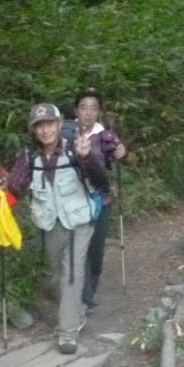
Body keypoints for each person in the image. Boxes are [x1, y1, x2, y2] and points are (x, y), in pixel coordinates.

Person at [1, 103, 107, 355]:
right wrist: (1, 196)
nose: (45, 129)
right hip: (50, 223)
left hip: (80, 221)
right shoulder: (29, 158)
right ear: (33, 130)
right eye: (40, 125)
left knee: (72, 272)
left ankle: (67, 332)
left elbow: (101, 180)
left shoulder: (75, 150)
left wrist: (86, 158)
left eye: (50, 123)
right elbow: (16, 187)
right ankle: (76, 309)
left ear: (59, 125)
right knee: (55, 272)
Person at [71, 89, 126, 309]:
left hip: (99, 201)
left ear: (99, 112)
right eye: (84, 107)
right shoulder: (66, 133)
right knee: (76, 250)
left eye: (94, 108)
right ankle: (82, 297)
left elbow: (130, 160)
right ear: (76, 110)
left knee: (95, 250)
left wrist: (124, 153)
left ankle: (90, 290)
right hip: (72, 201)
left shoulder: (105, 136)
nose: (88, 113)